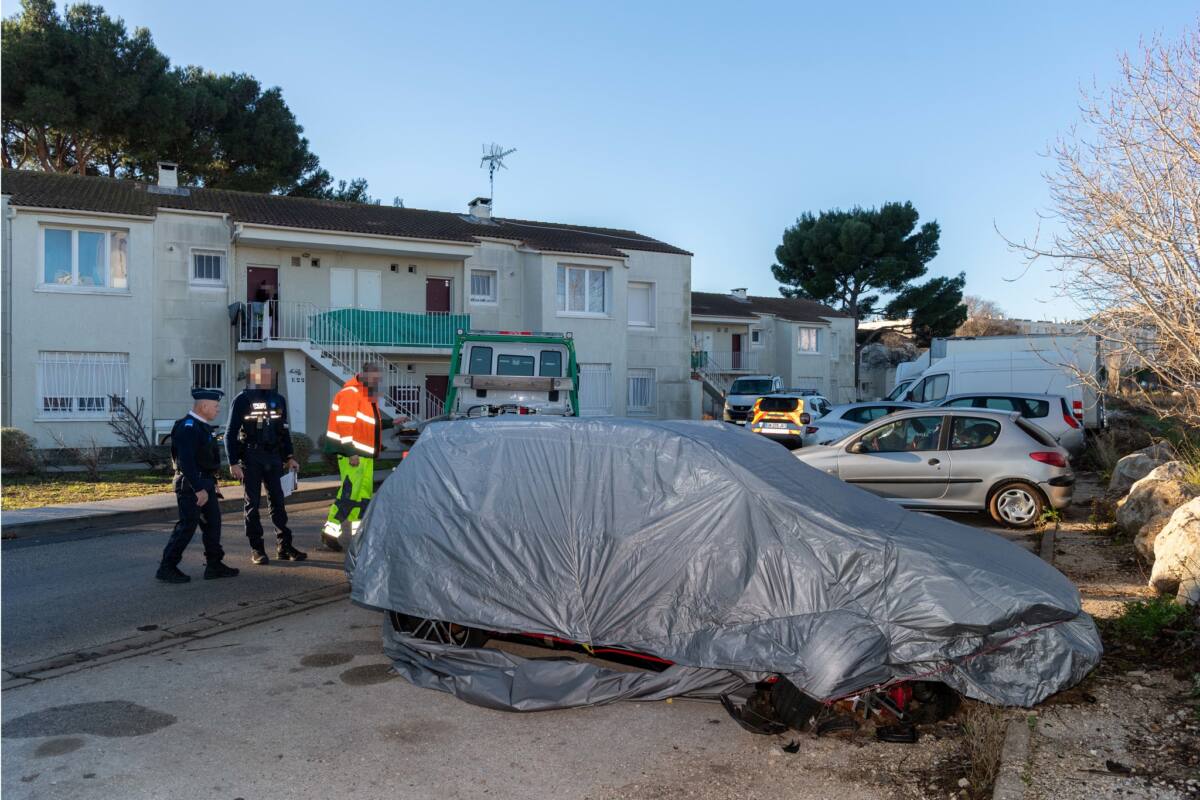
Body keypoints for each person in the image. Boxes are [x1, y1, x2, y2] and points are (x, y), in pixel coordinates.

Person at [226, 359, 307, 565]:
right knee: (252, 505)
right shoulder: (242, 399)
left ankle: (284, 546)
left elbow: (283, 431)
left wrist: (289, 457)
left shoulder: (278, 399)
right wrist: (233, 462)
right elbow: (230, 433)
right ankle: (257, 549)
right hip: (251, 458)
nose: (268, 378)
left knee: (278, 503)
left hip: (273, 457)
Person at [156, 388, 240, 583]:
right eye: (215, 406)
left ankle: (214, 565)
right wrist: (198, 488)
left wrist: (213, 483)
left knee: (213, 525)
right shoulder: (187, 427)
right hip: (191, 484)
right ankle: (167, 567)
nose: (218, 409)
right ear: (203, 406)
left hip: (205, 482)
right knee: (187, 526)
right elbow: (186, 461)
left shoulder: (201, 426)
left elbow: (205, 459)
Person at [321, 362, 400, 551]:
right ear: (363, 375)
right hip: (353, 455)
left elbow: (368, 424)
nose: (376, 381)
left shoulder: (365, 395)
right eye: (373, 378)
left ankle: (358, 536)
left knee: (362, 496)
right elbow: (344, 424)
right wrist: (351, 452)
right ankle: (329, 533)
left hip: (364, 455)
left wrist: (391, 423)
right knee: (349, 494)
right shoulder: (351, 393)